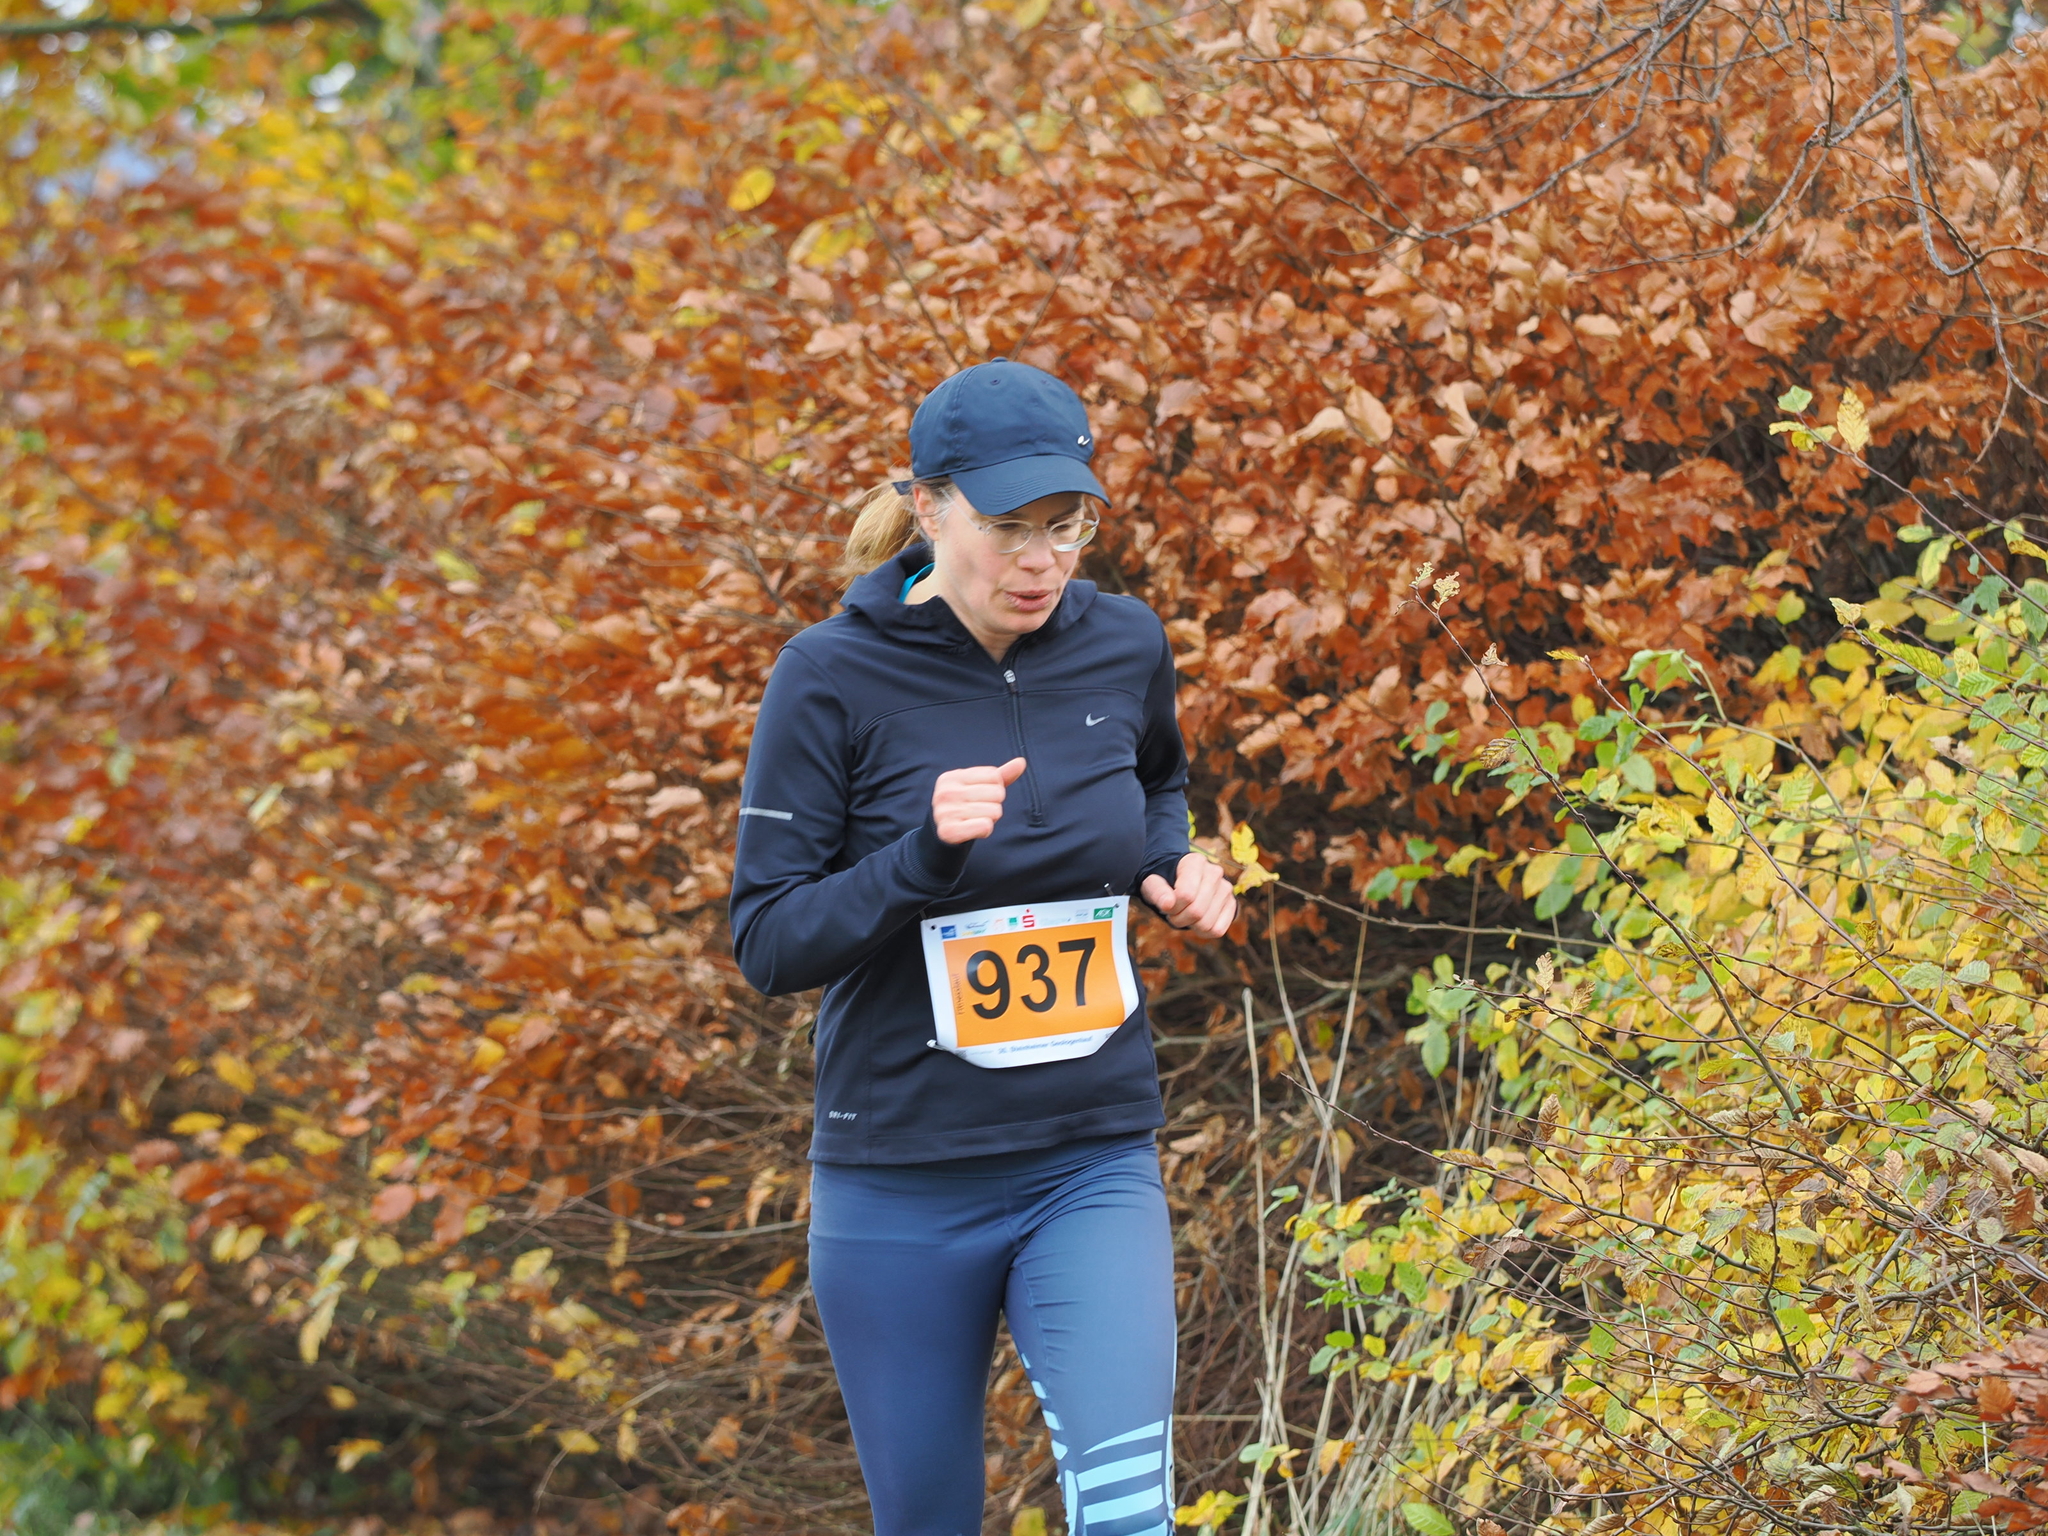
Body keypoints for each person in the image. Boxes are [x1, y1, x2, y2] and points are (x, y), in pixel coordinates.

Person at [729, 358, 1236, 1536]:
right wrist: (918, 857)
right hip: (899, 1179)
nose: (1041, 561)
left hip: (1089, 1160)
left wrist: (1170, 867)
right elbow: (767, 940)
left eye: (1066, 527)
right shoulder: (829, 677)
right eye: (1009, 529)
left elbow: (1155, 781)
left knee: (1128, 1517)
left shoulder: (1123, 643)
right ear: (928, 508)